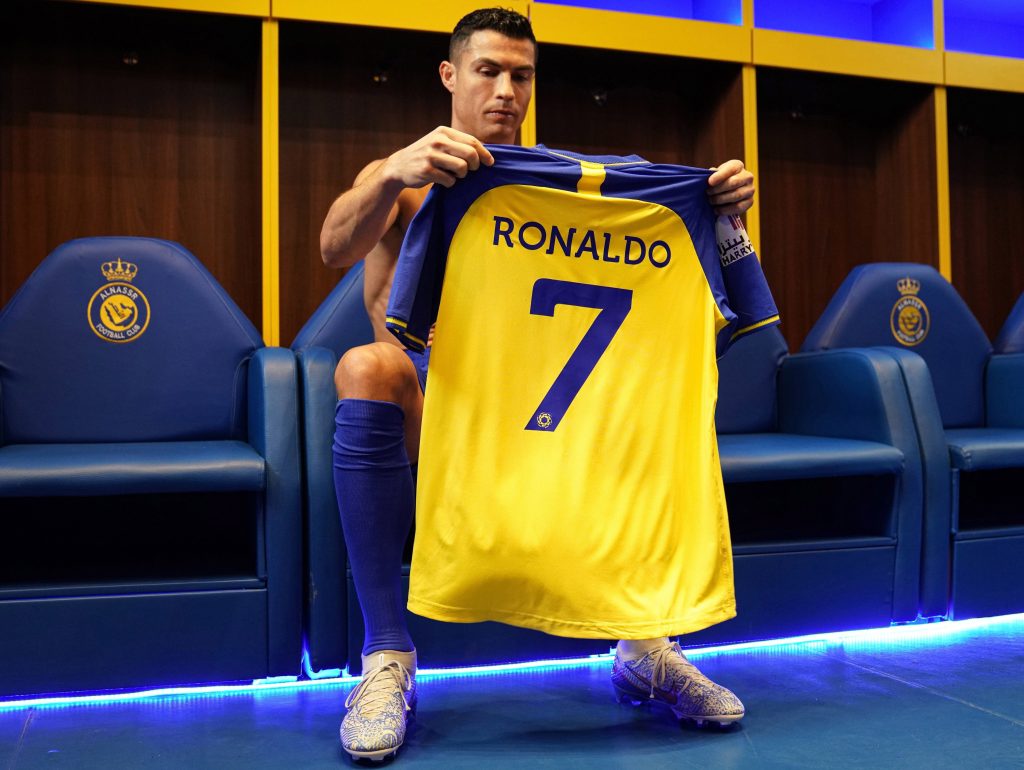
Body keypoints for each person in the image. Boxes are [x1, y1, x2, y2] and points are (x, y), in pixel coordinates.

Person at [321, 8, 757, 762]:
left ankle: (646, 644)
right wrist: (394, 171)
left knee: (636, 392)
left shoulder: (570, 188)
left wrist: (721, 207)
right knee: (366, 366)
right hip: (439, 400)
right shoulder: (408, 176)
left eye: (520, 75)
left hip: (538, 405)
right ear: (450, 75)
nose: (505, 90)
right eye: (487, 70)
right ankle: (387, 656)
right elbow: (333, 246)